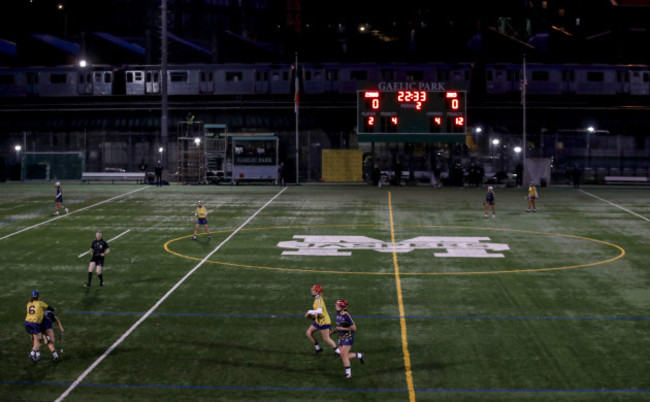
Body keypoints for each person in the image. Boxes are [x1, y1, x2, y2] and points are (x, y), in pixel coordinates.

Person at [25, 290, 59, 362]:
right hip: (35, 323)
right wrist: (54, 309)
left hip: (27, 323)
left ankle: (38, 355)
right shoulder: (40, 303)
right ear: (38, 296)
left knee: (35, 339)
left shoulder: (28, 303)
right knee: (39, 341)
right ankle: (31, 354)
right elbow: (49, 308)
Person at [305, 285, 340, 356]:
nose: (311, 291)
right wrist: (313, 318)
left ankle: (338, 351)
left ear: (317, 292)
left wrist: (310, 311)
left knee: (326, 338)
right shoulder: (317, 298)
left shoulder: (318, 300)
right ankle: (318, 348)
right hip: (319, 320)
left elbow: (319, 310)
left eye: (313, 290)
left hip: (324, 322)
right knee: (309, 333)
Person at [333, 299, 363, 378]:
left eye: (337, 305)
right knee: (343, 356)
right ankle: (359, 355)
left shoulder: (346, 315)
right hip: (341, 337)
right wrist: (334, 331)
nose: (335, 306)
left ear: (341, 307)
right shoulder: (338, 314)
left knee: (344, 355)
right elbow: (340, 326)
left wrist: (341, 329)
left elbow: (354, 328)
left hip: (348, 337)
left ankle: (348, 374)